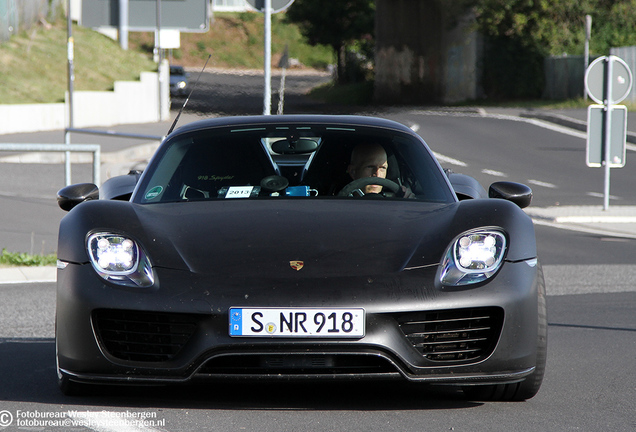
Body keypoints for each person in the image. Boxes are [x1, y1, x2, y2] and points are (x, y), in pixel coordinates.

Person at [345, 143, 413, 197]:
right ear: (352, 171)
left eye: (382, 168)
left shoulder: (395, 204)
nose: (377, 174)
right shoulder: (338, 205)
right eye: (370, 167)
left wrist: (408, 202)